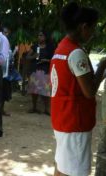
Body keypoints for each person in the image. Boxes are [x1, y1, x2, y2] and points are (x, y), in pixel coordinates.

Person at [50, 2, 106, 176]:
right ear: (83, 27)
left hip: (62, 117)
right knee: (74, 171)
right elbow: (89, 92)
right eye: (93, 28)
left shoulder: (61, 48)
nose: (93, 33)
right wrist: (102, 66)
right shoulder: (76, 53)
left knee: (61, 166)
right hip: (75, 121)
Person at [26, 30, 54, 115]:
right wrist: (34, 56)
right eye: (38, 35)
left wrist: (47, 60)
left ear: (45, 37)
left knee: (45, 90)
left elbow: (54, 59)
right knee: (34, 90)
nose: (39, 37)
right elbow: (27, 57)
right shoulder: (34, 47)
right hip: (35, 70)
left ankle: (47, 108)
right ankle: (34, 107)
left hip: (45, 70)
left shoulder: (49, 47)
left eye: (41, 35)